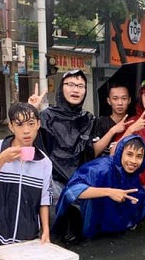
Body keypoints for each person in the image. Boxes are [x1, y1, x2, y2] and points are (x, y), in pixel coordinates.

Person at [0, 102, 52, 254]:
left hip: (26, 236)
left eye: (31, 124)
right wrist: (0, 160)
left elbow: (44, 199)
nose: (26, 131)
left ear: (38, 125)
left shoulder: (44, 162)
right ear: (11, 126)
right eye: (19, 125)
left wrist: (45, 231)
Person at [53, 135, 145, 243]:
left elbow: (140, 201)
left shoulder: (133, 175)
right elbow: (71, 191)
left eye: (139, 156)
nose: (133, 161)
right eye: (129, 154)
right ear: (120, 153)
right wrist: (108, 192)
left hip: (108, 236)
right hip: (82, 229)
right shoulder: (101, 168)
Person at [31, 70, 96, 207]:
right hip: (53, 184)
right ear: (62, 87)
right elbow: (26, 142)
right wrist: (31, 111)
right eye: (70, 84)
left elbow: (90, 152)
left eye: (80, 86)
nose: (75, 90)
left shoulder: (88, 119)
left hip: (80, 184)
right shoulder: (46, 117)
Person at [92, 83, 134, 156]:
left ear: (129, 100)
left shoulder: (133, 123)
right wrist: (113, 130)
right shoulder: (100, 123)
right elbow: (94, 152)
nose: (120, 103)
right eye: (115, 98)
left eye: (124, 98)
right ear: (109, 101)